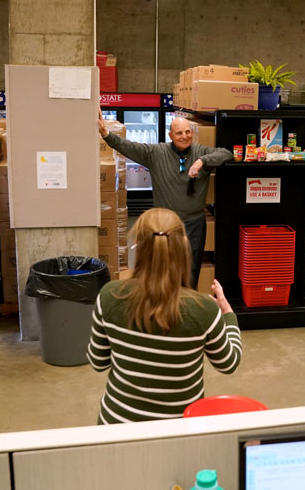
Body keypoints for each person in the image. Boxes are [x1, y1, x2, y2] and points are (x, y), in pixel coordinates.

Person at [87, 208, 242, 424]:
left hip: (116, 427)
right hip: (177, 431)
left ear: (138, 248)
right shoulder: (204, 309)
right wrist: (228, 315)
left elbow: (98, 361)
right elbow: (229, 363)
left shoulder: (109, 297)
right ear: (184, 247)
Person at [98, 111, 231, 288]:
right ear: (170, 135)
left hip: (194, 225)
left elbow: (226, 154)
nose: (184, 136)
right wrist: (106, 134)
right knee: (164, 270)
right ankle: (166, 307)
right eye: (179, 133)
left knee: (190, 271)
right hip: (164, 225)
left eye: (187, 132)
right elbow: (128, 146)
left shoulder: (201, 152)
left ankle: (186, 306)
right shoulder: (156, 153)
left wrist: (202, 162)